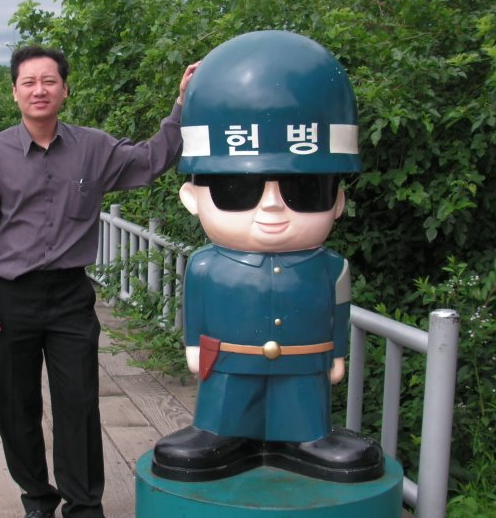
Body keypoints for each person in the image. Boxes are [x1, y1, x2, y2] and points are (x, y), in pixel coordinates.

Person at [0, 44, 198, 518]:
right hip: (9, 298)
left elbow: (153, 160)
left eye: (49, 81)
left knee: (79, 401)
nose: (39, 90)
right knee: (15, 404)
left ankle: (84, 507)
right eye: (29, 82)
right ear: (15, 92)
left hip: (69, 294)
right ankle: (36, 499)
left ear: (65, 89)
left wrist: (181, 106)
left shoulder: (94, 147)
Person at [150, 30, 383, 484]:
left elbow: (338, 311)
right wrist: (195, 347)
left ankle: (307, 437)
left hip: (304, 359)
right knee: (229, 400)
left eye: (304, 191)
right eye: (237, 191)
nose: (273, 207)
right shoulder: (206, 265)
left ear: (337, 200)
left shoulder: (331, 268)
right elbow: (194, 309)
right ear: (192, 197)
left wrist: (336, 356)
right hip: (230, 360)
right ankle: (220, 432)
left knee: (302, 401)